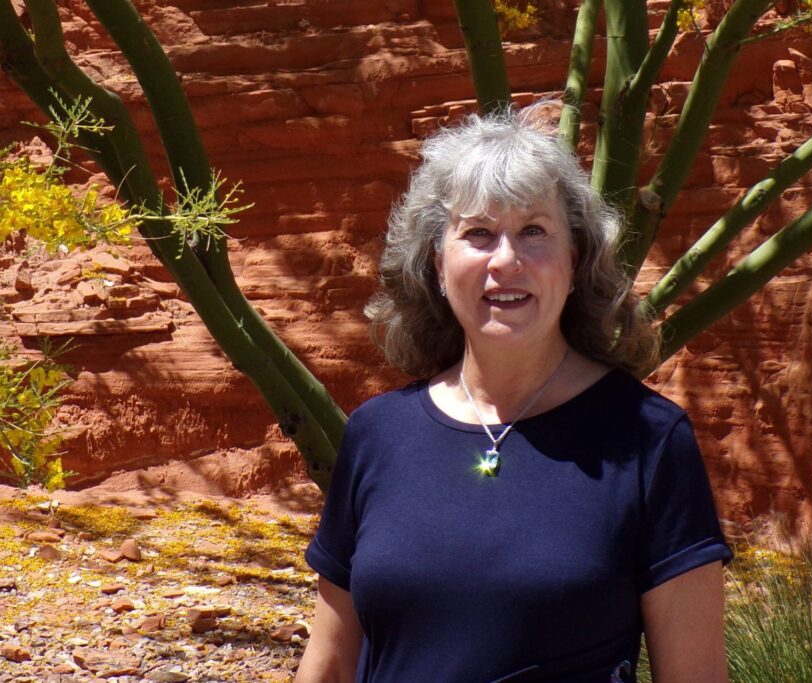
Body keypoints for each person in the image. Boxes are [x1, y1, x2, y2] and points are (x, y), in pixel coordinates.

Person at [295, 106, 732, 683]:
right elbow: (328, 665)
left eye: (534, 231)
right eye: (477, 233)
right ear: (437, 262)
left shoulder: (647, 439)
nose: (506, 260)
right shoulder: (378, 434)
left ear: (574, 259)